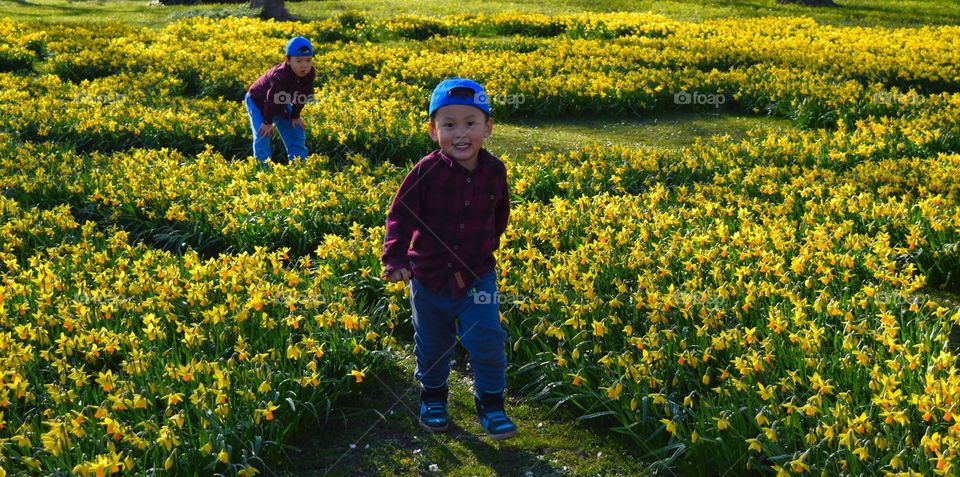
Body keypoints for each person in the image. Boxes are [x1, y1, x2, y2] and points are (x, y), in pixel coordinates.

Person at [381, 78, 517, 440]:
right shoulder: (426, 171)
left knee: (488, 338)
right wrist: (395, 257)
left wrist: (488, 244)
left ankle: (491, 405)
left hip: (477, 276)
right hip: (427, 278)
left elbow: (499, 214)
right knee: (433, 344)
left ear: (488, 127)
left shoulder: (495, 170)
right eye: (449, 124)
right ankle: (434, 397)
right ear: (432, 130)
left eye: (470, 123)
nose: (461, 134)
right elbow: (400, 215)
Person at [244, 36, 315, 167]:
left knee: (296, 130)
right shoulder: (280, 75)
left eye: (308, 60)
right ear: (287, 60)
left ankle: (300, 167)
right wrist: (267, 122)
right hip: (258, 100)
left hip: (280, 101)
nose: (304, 65)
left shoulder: (309, 73)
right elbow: (270, 99)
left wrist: (295, 116)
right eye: (299, 61)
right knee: (263, 134)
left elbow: (303, 94)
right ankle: (263, 171)